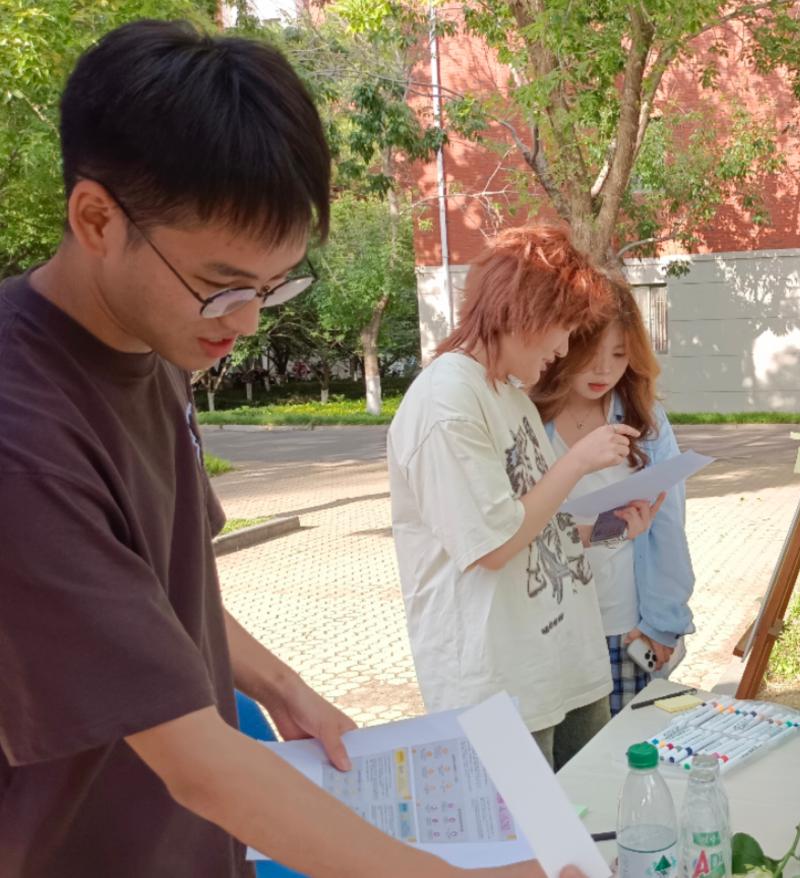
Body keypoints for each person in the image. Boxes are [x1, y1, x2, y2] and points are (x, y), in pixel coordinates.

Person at [0, 21, 586, 878]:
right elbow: (200, 767)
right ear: (96, 218)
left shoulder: (155, 347)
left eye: (271, 288)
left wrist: (285, 690)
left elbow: (152, 600)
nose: (244, 323)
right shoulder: (22, 436)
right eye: (220, 287)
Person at [388, 225, 637, 771]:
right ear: (525, 313)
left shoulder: (508, 394)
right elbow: (494, 544)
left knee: (588, 815)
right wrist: (578, 461)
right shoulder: (446, 403)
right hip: (499, 688)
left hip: (563, 667)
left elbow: (534, 522)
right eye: (564, 330)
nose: (563, 349)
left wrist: (609, 528)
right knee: (526, 828)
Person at [532, 280, 696, 714]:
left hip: (622, 623)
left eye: (620, 355)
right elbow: (522, 525)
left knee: (623, 747)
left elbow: (668, 526)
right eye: (590, 353)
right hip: (547, 625)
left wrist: (664, 621)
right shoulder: (527, 415)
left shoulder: (644, 415)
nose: (604, 370)